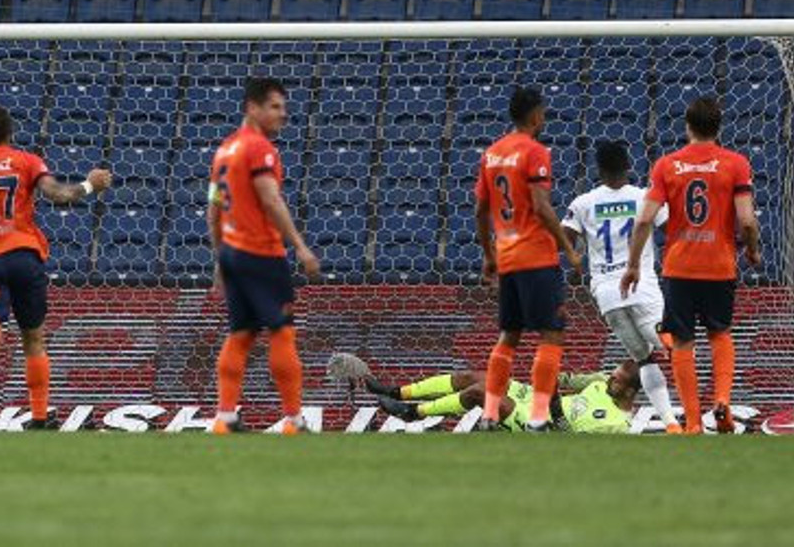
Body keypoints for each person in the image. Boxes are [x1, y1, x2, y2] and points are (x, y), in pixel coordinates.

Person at [0, 106, 111, 430]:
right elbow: (58, 195)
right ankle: (40, 416)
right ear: (10, 132)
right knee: (34, 338)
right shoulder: (26, 161)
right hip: (24, 255)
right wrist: (89, 185)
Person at [621, 97, 760, 434]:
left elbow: (644, 221)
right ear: (719, 126)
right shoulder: (736, 163)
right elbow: (747, 220)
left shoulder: (667, 166)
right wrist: (752, 250)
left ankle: (694, 423)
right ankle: (723, 400)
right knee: (720, 333)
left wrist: (633, 265)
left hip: (679, 268)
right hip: (719, 266)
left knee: (682, 342)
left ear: (687, 126)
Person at [207, 77, 320, 435]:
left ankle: (225, 418)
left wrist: (220, 257)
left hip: (233, 253)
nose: (283, 114)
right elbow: (270, 199)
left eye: (284, 108)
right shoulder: (260, 149)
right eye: (275, 106)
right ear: (252, 108)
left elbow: (213, 208)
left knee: (240, 334)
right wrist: (300, 246)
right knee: (282, 332)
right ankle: (294, 420)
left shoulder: (224, 150)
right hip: (261, 252)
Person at [473, 87, 583, 431]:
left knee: (509, 335)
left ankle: (489, 414)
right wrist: (567, 247)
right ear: (536, 116)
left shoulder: (491, 154)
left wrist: (489, 255)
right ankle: (538, 417)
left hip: (506, 257)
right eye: (544, 113)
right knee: (551, 334)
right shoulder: (535, 152)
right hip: (536, 256)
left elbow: (480, 209)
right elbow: (540, 205)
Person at [561, 140, 681, 432]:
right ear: (628, 166)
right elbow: (673, 230)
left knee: (644, 360)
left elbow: (562, 237)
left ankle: (671, 424)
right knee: (673, 345)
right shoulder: (645, 197)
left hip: (607, 293)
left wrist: (575, 257)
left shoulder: (583, 203)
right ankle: (664, 335)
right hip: (641, 284)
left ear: (598, 170)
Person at [325, 352, 641, 434]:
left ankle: (412, 413)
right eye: (612, 373)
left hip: (543, 423)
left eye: (617, 379)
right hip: (537, 398)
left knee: (482, 394)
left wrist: (553, 403)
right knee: (476, 376)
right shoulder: (600, 381)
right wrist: (547, 376)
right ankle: (397, 391)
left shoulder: (616, 425)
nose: (610, 378)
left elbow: (568, 435)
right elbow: (568, 379)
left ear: (630, 391)